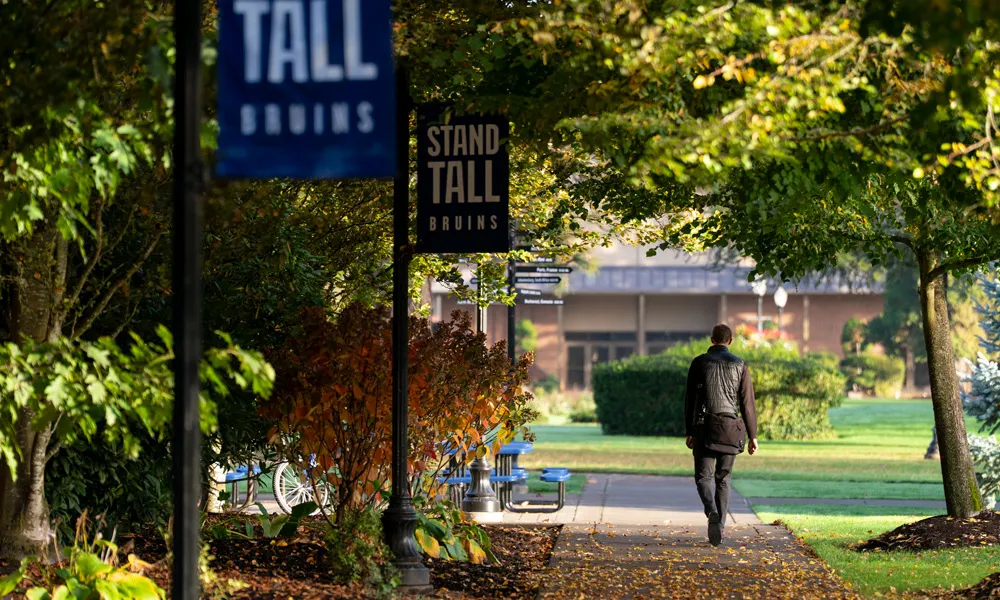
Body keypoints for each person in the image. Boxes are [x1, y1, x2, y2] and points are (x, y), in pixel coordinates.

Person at [684, 323, 758, 547]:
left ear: (711, 339)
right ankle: (720, 527)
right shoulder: (740, 364)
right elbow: (747, 404)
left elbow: (690, 400)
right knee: (723, 479)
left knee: (703, 477)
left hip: (704, 427)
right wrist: (752, 435)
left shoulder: (699, 363)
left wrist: (689, 431)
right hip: (730, 430)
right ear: (731, 340)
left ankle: (711, 512)